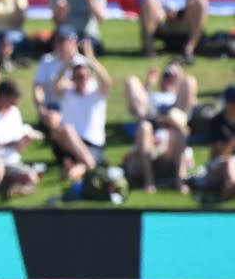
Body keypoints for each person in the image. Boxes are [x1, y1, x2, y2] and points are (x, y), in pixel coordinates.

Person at [51, 40, 112, 180]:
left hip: (93, 144)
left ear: (89, 77)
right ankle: (88, 165)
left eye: (84, 76)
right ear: (73, 78)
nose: (81, 80)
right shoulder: (67, 92)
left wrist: (91, 59)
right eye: (78, 77)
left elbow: (106, 81)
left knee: (77, 168)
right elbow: (56, 82)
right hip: (69, 143)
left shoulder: (96, 93)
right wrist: (69, 62)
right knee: (66, 130)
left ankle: (78, 169)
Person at [123, 106, 192, 194]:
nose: (166, 128)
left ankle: (179, 182)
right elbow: (128, 157)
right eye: (165, 124)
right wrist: (154, 146)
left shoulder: (182, 142)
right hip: (142, 165)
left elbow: (188, 162)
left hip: (168, 167)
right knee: (144, 127)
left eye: (170, 126)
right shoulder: (151, 135)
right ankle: (149, 180)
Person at [32, 24, 84, 137]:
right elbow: (38, 87)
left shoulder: (82, 63)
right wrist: (42, 110)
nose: (59, 44)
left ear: (73, 42)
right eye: (57, 40)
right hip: (52, 107)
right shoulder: (47, 60)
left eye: (63, 40)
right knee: (52, 118)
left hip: (75, 106)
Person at [124, 59, 198, 123]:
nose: (169, 79)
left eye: (174, 76)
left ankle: (176, 124)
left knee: (190, 80)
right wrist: (148, 85)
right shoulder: (153, 94)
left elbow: (193, 104)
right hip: (152, 113)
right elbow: (139, 100)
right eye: (166, 75)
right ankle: (145, 123)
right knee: (132, 80)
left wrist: (180, 86)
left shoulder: (181, 94)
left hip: (176, 111)